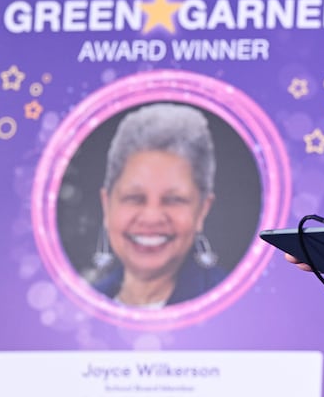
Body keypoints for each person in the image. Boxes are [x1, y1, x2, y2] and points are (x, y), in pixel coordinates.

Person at [88, 102, 225, 308]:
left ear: (202, 210)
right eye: (134, 198)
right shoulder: (79, 304)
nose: (151, 217)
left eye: (174, 200)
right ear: (106, 205)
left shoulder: (234, 304)